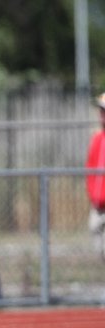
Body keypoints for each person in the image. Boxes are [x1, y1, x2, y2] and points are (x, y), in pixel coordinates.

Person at [86, 92, 105, 261]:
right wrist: (92, 192)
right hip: (98, 202)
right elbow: (90, 167)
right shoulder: (97, 138)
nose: (101, 115)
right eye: (101, 111)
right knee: (94, 228)